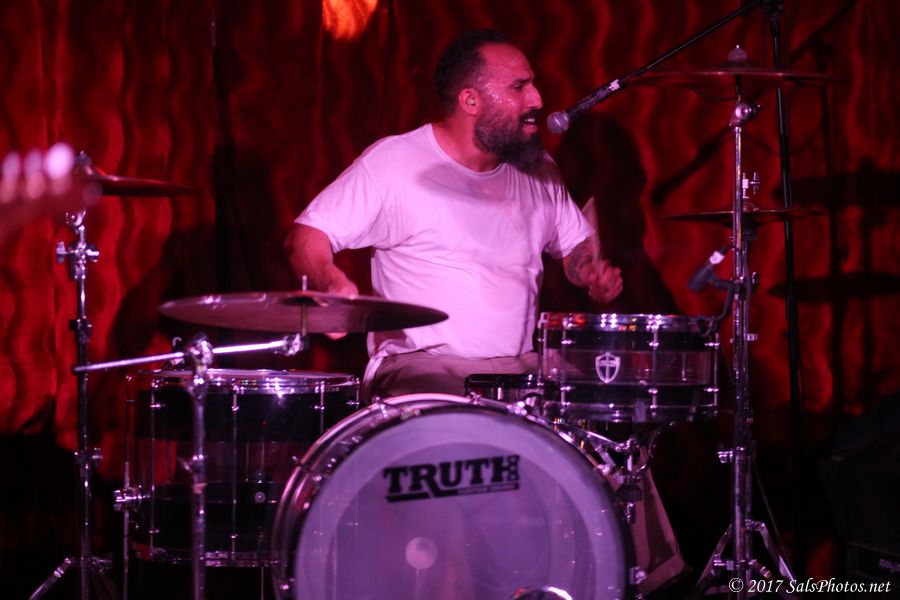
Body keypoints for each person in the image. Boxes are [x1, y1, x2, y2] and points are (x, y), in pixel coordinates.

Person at [285, 29, 622, 398]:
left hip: (518, 367)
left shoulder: (538, 168)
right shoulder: (395, 163)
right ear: (471, 100)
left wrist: (590, 271)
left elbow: (573, 247)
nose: (537, 99)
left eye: (533, 84)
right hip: (423, 365)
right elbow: (306, 236)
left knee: (597, 399)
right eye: (519, 87)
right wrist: (330, 282)